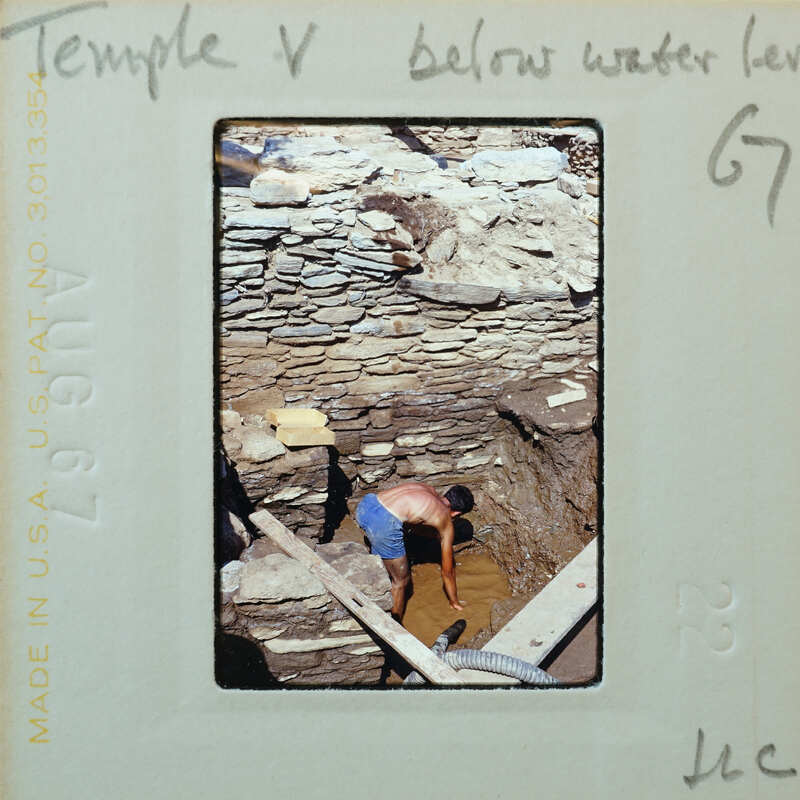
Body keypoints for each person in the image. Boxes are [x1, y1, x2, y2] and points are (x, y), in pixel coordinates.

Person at [354, 482, 474, 621]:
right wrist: (455, 602)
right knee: (401, 580)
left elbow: (415, 520)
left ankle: (380, 561)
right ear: (456, 513)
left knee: (394, 540)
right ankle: (394, 624)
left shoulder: (429, 489)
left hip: (367, 505)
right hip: (383, 523)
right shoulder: (445, 519)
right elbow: (448, 572)